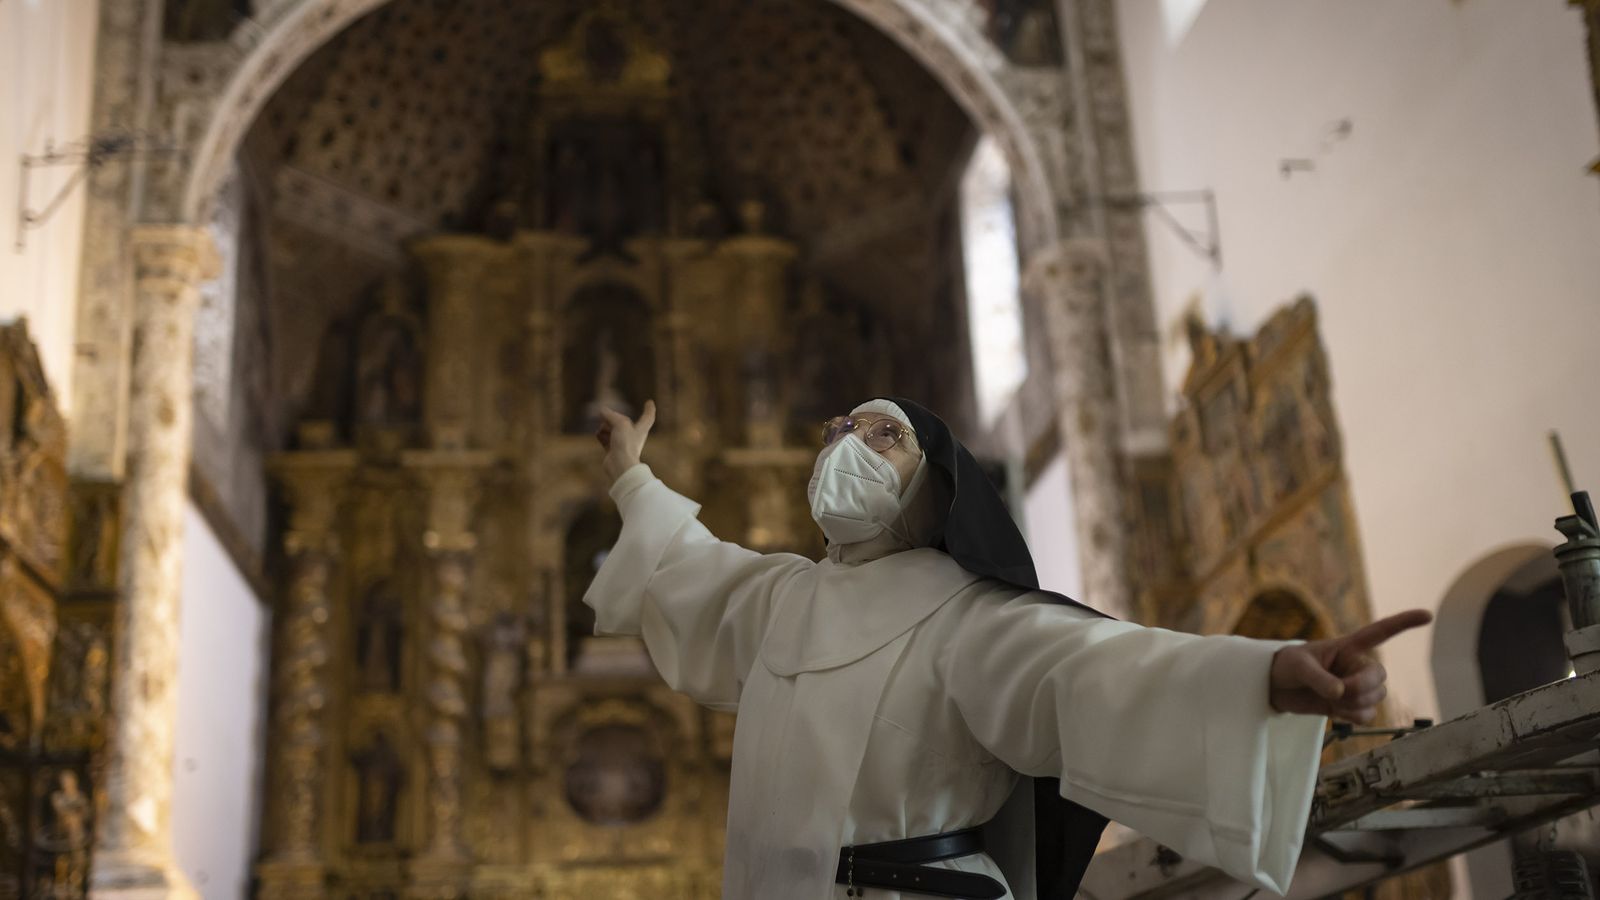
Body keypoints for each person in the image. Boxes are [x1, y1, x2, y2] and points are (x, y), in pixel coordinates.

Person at [586, 397, 1430, 900]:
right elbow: (687, 570)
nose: (847, 445)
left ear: (936, 481)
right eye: (839, 428)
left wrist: (1273, 673)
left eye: (881, 436)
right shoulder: (782, 600)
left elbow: (1104, 670)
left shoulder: (968, 617)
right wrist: (632, 476)